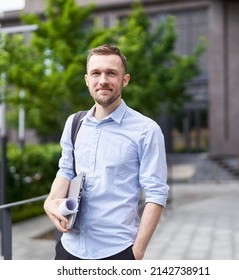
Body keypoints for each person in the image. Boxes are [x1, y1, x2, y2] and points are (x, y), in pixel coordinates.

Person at [44, 44, 169, 260]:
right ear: (87, 80)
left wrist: (136, 254)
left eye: (111, 73)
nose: (103, 80)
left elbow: (156, 194)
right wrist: (51, 201)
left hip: (117, 252)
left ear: (125, 80)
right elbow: (65, 170)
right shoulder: (74, 123)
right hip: (69, 248)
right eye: (96, 73)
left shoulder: (146, 130)